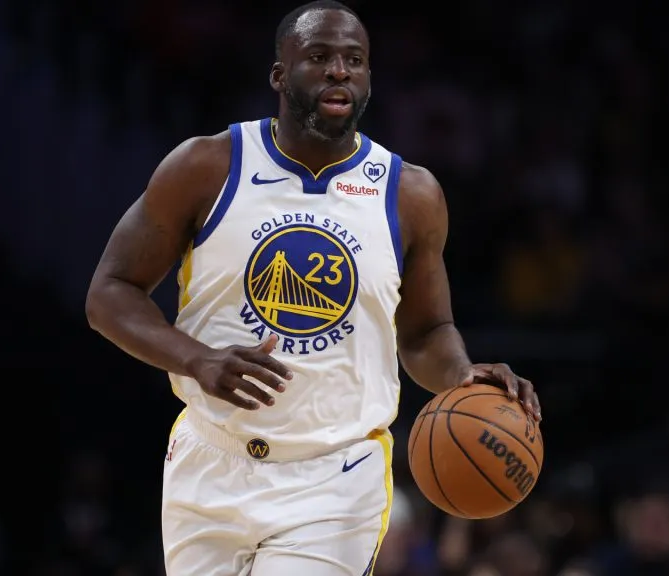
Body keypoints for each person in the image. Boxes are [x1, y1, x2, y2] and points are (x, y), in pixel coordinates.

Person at [85, 1, 541, 574]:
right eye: (319, 57)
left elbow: (426, 331)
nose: (339, 71)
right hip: (208, 458)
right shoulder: (207, 166)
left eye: (355, 60)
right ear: (280, 75)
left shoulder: (410, 194)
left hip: (335, 477)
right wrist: (197, 359)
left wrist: (460, 375)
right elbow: (109, 293)